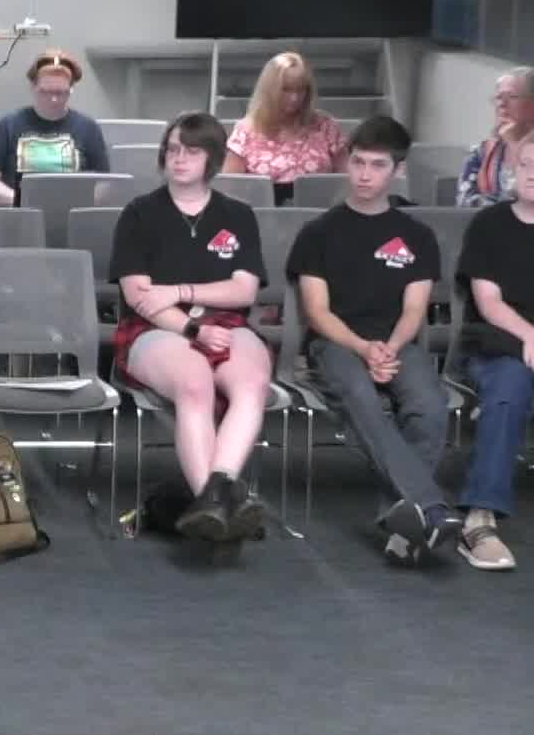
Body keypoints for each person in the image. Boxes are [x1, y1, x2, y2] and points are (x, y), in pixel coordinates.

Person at [285, 116, 458, 565]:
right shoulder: (318, 233)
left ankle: (402, 522)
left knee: (430, 407)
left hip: (397, 344)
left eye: (377, 165)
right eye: (358, 162)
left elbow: (414, 310)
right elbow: (317, 312)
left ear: (397, 171)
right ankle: (430, 507)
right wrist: (364, 349)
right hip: (334, 345)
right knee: (362, 398)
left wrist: (390, 348)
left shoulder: (417, 236)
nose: (364, 175)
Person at [108, 112, 273, 542]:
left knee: (252, 383)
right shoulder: (140, 214)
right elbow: (141, 297)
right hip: (154, 329)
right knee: (196, 384)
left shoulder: (238, 215)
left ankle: (211, 502)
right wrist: (192, 329)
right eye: (173, 149)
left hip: (227, 323)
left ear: (212, 159)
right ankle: (218, 505)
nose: (179, 158)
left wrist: (179, 290)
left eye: (192, 151)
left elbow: (243, 290)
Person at [451, 141, 534, 570]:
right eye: (527, 164)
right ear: (513, 170)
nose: (533, 173)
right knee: (508, 391)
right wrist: (530, 335)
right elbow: (489, 302)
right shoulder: (490, 224)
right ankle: (479, 519)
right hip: (498, 341)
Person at [0, 49, 111, 206]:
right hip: (19, 213)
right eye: (45, 92)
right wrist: (22, 201)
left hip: (70, 213)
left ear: (71, 89)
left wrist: (73, 203)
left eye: (61, 93)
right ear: (33, 87)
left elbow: (104, 184)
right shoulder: (9, 124)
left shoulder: (88, 128)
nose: (53, 99)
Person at [222, 51, 349, 206]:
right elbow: (230, 190)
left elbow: (347, 181)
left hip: (321, 214)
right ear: (269, 90)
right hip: (261, 215)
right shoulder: (245, 130)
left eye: (300, 89)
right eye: (286, 89)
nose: (294, 98)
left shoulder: (326, 126)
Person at [455, 66, 533, 208]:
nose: (502, 104)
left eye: (512, 97)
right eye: (498, 97)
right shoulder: (481, 152)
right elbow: (464, 202)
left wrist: (514, 145)